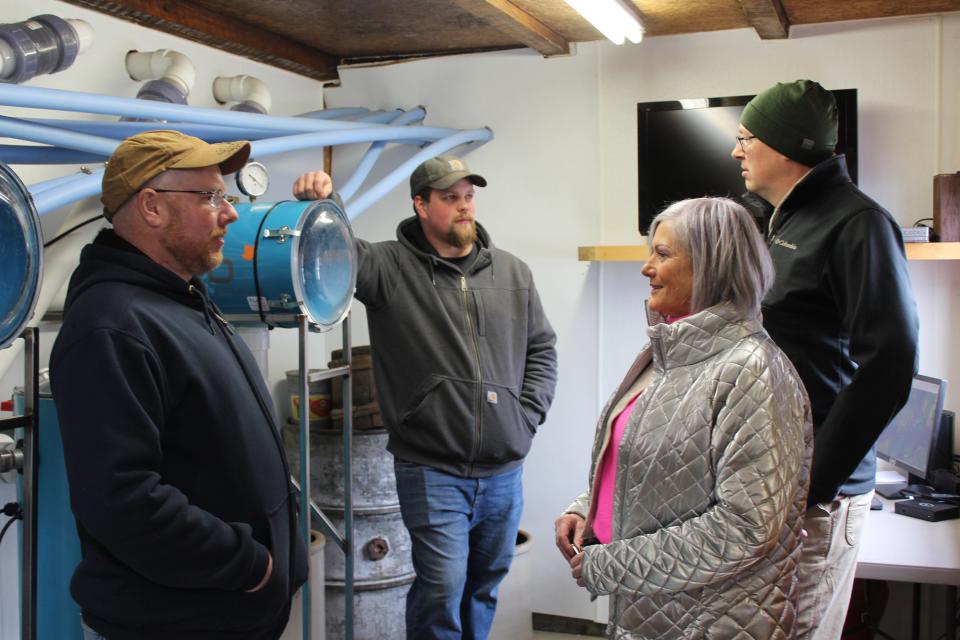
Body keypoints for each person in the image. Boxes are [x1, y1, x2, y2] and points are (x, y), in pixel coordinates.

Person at [49, 130, 308, 640]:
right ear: (151, 207)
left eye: (226, 196)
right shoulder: (112, 325)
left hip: (230, 613)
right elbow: (123, 500)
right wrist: (249, 564)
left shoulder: (183, 302)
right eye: (211, 197)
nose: (230, 213)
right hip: (177, 622)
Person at [293, 156, 558, 640]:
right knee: (441, 587)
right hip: (431, 468)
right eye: (450, 198)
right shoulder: (389, 268)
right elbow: (341, 252)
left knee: (484, 583)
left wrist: (528, 415)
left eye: (469, 196)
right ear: (421, 204)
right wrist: (328, 202)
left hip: (504, 469)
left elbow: (541, 347)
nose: (464, 207)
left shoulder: (513, 272)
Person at [554, 197, 813, 639]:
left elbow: (745, 528)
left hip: (713, 621)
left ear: (712, 265)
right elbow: (650, 463)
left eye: (663, 253)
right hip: (656, 611)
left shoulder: (753, 372)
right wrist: (589, 507)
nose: (646, 267)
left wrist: (612, 564)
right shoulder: (668, 355)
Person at [731, 80, 919, 639]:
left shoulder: (857, 224)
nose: (736, 151)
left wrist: (817, 481)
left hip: (812, 499)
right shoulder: (775, 215)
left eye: (746, 138)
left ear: (786, 146)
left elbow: (889, 363)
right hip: (766, 482)